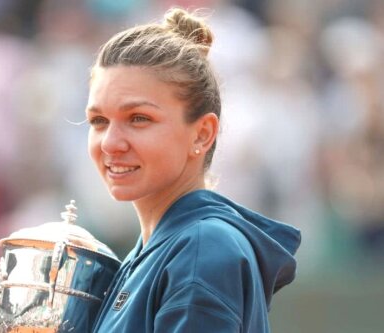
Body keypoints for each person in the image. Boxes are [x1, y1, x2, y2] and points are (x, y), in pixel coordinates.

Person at [85, 7, 301, 333]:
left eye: (138, 118)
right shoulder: (157, 250)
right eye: (99, 121)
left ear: (202, 133)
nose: (110, 143)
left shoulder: (202, 249)